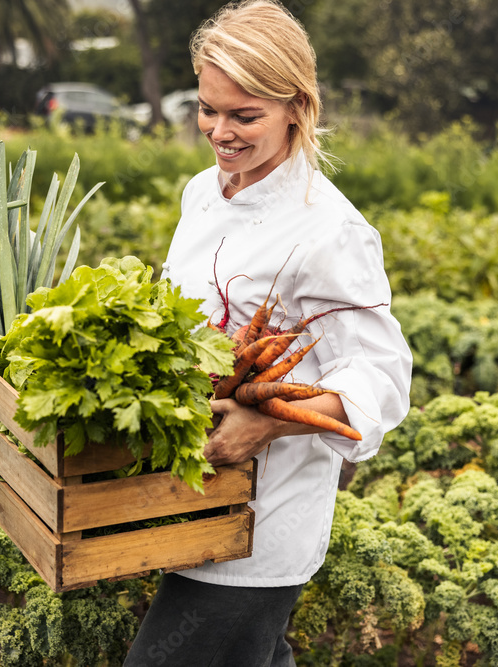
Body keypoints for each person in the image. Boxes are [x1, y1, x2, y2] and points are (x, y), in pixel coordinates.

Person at [123, 1, 412, 665]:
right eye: (207, 109)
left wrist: (268, 425)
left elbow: (381, 378)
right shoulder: (203, 192)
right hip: (189, 490)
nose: (219, 131)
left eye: (243, 115)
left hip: (263, 515)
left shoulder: (327, 231)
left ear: (295, 107)